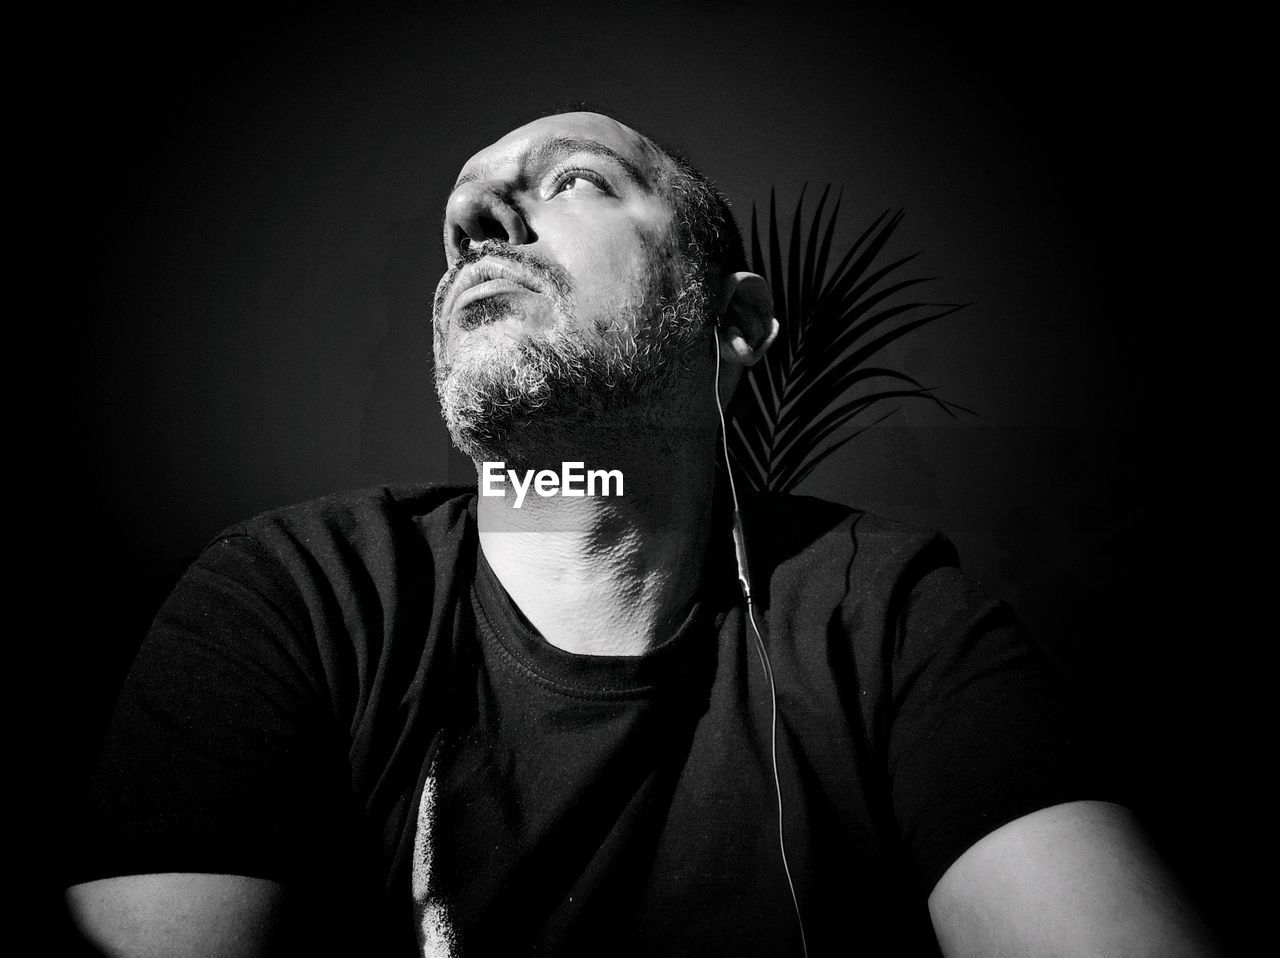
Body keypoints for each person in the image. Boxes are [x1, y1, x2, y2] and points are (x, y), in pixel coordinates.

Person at [65, 111, 1221, 957]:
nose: (471, 219)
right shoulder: (297, 596)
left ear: (733, 323)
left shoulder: (880, 609)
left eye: (571, 177)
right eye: (463, 214)